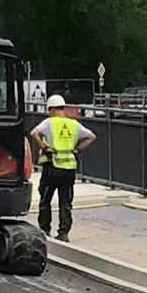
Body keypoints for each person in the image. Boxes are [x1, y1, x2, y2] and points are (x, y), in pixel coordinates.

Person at [30, 94, 97, 242]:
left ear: (52, 109)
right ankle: (64, 232)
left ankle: (45, 230)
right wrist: (78, 149)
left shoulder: (49, 122)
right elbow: (91, 136)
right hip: (68, 169)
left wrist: (44, 147)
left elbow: (34, 133)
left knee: (45, 199)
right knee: (65, 202)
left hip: (52, 167)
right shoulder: (73, 124)